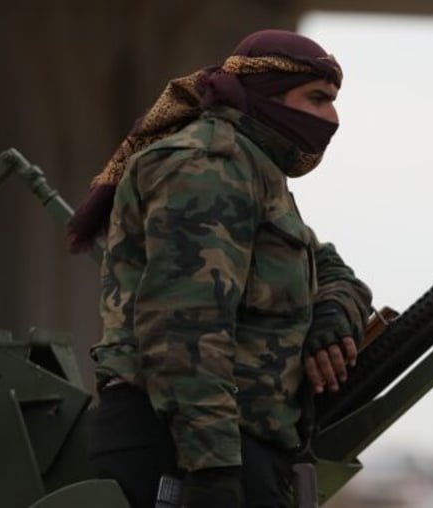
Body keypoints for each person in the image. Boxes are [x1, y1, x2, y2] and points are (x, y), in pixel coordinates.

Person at [67, 30, 373, 508]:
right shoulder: (207, 166)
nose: (331, 118)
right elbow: (185, 329)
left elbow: (334, 270)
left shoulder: (253, 170)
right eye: (317, 98)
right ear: (269, 96)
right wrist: (213, 470)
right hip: (184, 447)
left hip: (234, 443)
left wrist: (331, 316)